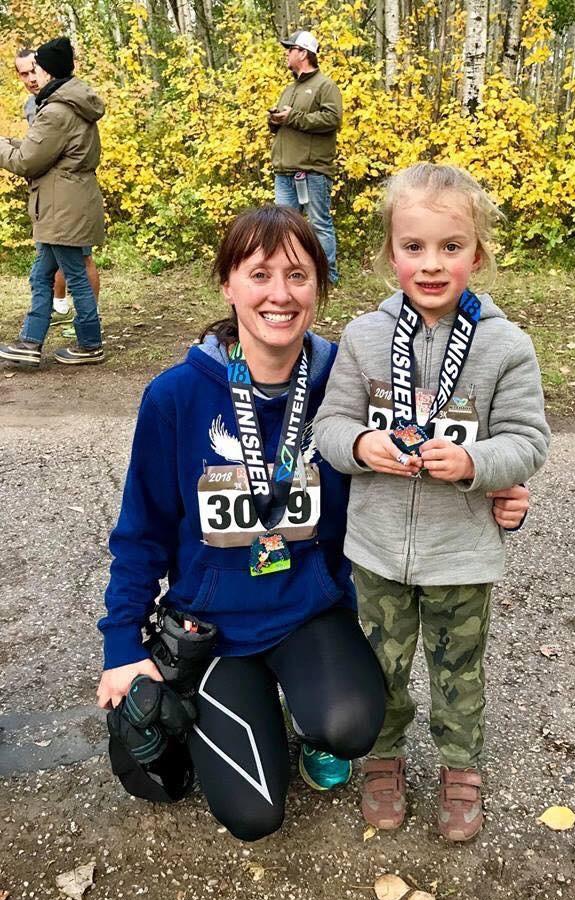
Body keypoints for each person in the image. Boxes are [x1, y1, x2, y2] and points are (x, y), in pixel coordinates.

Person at [96, 205, 532, 841]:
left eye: (298, 276)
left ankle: (305, 714)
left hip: (309, 614)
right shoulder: (175, 396)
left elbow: (436, 450)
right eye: (260, 274)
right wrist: (122, 648)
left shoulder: (351, 377)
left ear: (319, 290)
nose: (280, 294)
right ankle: (230, 706)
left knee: (353, 726)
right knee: (254, 817)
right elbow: (142, 531)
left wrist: (498, 486)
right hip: (215, 629)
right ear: (228, 285)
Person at [314, 163, 550, 841]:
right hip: (378, 550)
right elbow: (326, 428)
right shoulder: (362, 337)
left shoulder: (507, 346)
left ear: (478, 253)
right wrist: (360, 445)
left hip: (463, 555)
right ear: (390, 253)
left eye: (451, 247)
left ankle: (460, 768)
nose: (432, 264)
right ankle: (383, 761)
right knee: (380, 666)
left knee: (458, 672)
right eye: (414, 247)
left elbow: (529, 440)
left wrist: (477, 461)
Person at [0, 36, 105, 368]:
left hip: (64, 206)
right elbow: (39, 149)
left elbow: (27, 162)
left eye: (38, 69)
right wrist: (9, 142)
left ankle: (90, 344)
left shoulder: (57, 111)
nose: (35, 75)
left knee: (73, 274)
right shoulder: (68, 103)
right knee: (41, 274)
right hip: (63, 203)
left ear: (49, 71)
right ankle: (30, 343)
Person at [269, 30, 341, 284]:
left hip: (312, 170)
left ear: (303, 53)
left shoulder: (325, 85)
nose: (287, 54)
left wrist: (293, 117)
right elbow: (283, 124)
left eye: (291, 49)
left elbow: (332, 119)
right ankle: (291, 272)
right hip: (284, 170)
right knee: (284, 228)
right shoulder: (289, 89)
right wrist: (275, 120)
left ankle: (327, 276)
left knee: (319, 224)